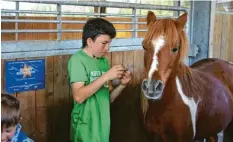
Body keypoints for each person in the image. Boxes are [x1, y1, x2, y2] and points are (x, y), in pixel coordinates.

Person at [68, 17, 132, 142]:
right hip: (85, 127)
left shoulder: (103, 62)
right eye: (104, 43)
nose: (107, 48)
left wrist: (123, 85)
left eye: (109, 43)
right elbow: (79, 97)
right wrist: (106, 76)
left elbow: (108, 98)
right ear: (90, 41)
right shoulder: (77, 60)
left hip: (103, 126)